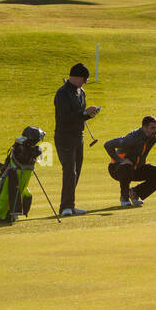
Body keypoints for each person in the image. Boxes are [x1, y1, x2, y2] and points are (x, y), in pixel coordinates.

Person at [53, 63, 100, 216]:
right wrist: (84, 113)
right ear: (76, 77)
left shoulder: (81, 92)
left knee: (76, 170)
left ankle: (71, 205)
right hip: (64, 136)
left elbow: (80, 116)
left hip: (78, 136)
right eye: (84, 79)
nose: (85, 82)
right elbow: (65, 117)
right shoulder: (62, 93)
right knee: (69, 171)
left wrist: (89, 114)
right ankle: (65, 207)